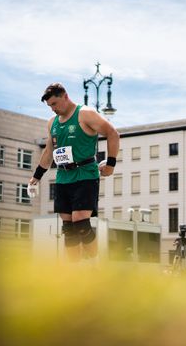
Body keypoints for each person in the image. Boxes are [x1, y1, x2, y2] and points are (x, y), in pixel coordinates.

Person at [29, 82, 119, 262]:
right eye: (49, 106)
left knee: (81, 223)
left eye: (55, 104)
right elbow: (48, 152)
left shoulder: (84, 114)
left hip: (85, 174)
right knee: (68, 228)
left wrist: (110, 164)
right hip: (63, 178)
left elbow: (112, 133)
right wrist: (36, 177)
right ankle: (73, 274)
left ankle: (95, 263)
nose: (53, 109)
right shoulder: (52, 123)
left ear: (65, 96)